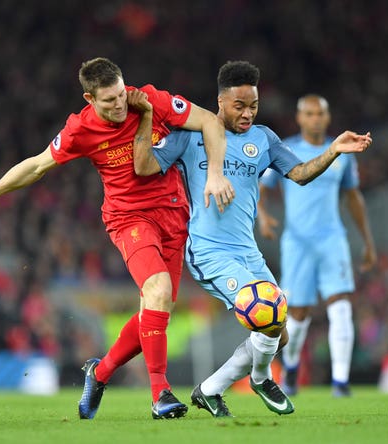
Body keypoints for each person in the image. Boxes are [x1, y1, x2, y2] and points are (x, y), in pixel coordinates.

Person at [0, 57, 235, 420]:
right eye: (108, 101)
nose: (119, 105)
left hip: (174, 216)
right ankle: (160, 394)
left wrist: (214, 174)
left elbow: (210, 121)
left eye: (120, 95)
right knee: (159, 292)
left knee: (156, 308)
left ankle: (99, 373)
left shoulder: (151, 101)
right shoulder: (80, 129)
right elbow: (38, 165)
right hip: (129, 218)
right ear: (89, 99)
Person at [132, 61, 372, 416]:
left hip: (248, 252)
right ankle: (260, 378)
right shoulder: (190, 135)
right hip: (208, 250)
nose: (247, 114)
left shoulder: (263, 138)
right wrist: (148, 119)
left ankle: (212, 388)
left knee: (280, 332)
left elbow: (301, 173)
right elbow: (144, 166)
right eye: (239, 106)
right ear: (220, 102)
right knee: (267, 315)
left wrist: (333, 149)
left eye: (253, 106)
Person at [258, 94, 377, 397]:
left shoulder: (343, 152)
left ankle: (340, 381)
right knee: (297, 314)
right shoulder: (286, 149)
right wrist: (262, 215)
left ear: (327, 117)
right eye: (309, 114)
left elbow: (353, 196)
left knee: (341, 305)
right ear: (299, 118)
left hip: (332, 240)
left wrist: (367, 241)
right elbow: (262, 185)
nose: (315, 119)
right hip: (297, 243)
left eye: (319, 114)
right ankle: (293, 366)